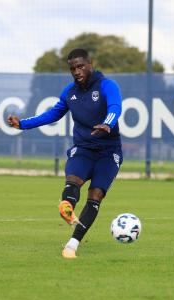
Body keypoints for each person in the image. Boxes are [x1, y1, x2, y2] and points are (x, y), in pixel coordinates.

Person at [7, 48, 123, 259]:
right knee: (73, 180)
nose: (77, 71)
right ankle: (67, 207)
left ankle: (73, 244)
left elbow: (115, 106)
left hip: (109, 151)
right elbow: (53, 114)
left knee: (95, 195)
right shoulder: (70, 92)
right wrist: (23, 124)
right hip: (84, 149)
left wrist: (108, 123)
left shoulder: (107, 85)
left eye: (80, 66)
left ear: (90, 64)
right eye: (72, 68)